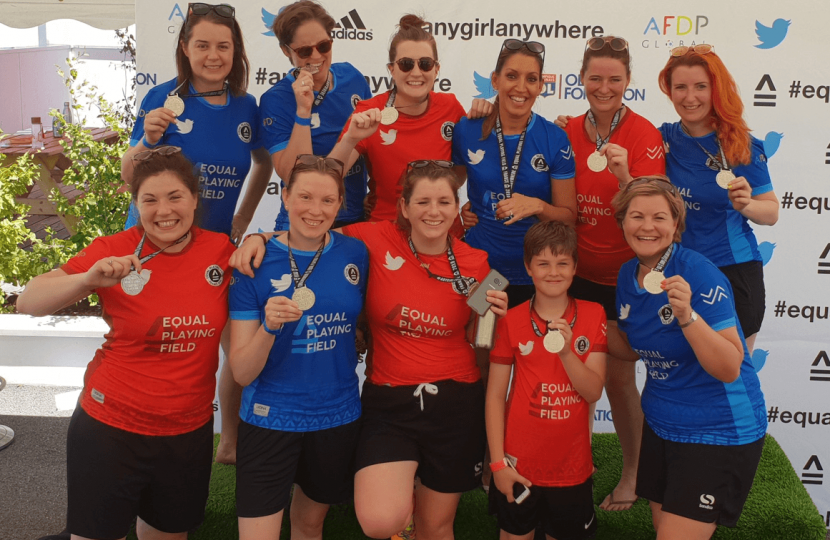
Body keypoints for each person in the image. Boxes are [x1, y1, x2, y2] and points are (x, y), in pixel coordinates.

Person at [233, 159, 508, 540]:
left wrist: (497, 316)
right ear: (404, 207)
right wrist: (258, 236)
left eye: (444, 202)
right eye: (423, 201)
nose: (433, 211)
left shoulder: (479, 265)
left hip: (454, 400)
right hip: (389, 401)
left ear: (456, 206)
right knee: (381, 522)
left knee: (437, 526)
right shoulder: (371, 240)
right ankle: (404, 507)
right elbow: (310, 229)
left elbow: (480, 338)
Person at [18, 147, 236, 540]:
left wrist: (258, 240)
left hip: (187, 433)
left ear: (194, 199)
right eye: (149, 199)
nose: (163, 210)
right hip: (110, 427)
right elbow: (28, 300)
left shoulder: (221, 250)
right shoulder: (110, 251)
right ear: (136, 204)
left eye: (175, 197)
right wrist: (87, 280)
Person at [121, 2, 272, 466]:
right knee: (154, 343)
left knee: (234, 346)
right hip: (154, 248)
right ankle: (134, 435)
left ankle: (229, 441)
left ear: (236, 51)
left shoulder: (247, 105)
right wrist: (146, 140)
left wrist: (243, 219)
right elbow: (129, 175)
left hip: (212, 248)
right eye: (202, 45)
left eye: (223, 46)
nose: (213, 55)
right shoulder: (162, 99)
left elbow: (265, 164)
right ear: (185, 49)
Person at [612, 176, 766, 539]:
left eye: (659, 217)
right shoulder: (626, 274)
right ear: (621, 222)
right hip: (662, 425)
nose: (647, 226)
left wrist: (688, 317)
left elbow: (729, 366)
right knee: (663, 530)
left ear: (676, 224)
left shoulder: (698, 272)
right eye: (636, 216)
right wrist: (575, 332)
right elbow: (633, 347)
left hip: (717, 430)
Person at [228, 155, 368, 540]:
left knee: (309, 526)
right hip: (269, 417)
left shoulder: (356, 253)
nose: (315, 210)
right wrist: (269, 327)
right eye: (305, 197)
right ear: (285, 197)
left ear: (340, 204)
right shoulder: (252, 263)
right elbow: (241, 372)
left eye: (328, 200)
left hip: (336, 416)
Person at [554, 35, 666, 511]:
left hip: (623, 278)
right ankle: (568, 465)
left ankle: (635, 475)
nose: (604, 87)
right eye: (595, 78)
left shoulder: (644, 134)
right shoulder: (565, 131)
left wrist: (625, 177)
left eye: (614, 79)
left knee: (620, 382)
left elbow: (653, 211)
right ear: (580, 79)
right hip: (574, 272)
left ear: (627, 82)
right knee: (565, 374)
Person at [486, 221, 607, 540]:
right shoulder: (510, 320)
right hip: (517, 466)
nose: (553, 272)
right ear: (528, 267)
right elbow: (496, 396)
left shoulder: (593, 314)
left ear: (575, 267)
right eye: (543, 263)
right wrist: (498, 464)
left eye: (563, 263)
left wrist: (567, 352)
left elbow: (593, 390)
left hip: (572, 471)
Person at [657, 45, 779, 354]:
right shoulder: (661, 138)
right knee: (683, 381)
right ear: (669, 91)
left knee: (734, 381)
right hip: (678, 273)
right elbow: (614, 136)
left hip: (733, 274)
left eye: (701, 86)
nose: (690, 97)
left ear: (716, 89)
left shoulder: (741, 143)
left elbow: (771, 212)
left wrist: (747, 205)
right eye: (680, 87)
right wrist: (573, 127)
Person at [329, 13, 490, 225]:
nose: (416, 72)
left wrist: (489, 112)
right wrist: (350, 138)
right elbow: (328, 178)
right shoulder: (370, 111)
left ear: (437, 69)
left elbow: (462, 170)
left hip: (441, 230)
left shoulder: (450, 107)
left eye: (425, 63)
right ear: (391, 70)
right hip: (387, 232)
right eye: (406, 64)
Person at [454, 38, 577, 309]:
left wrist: (536, 206)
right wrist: (464, 210)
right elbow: (452, 182)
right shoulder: (467, 129)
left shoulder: (555, 138)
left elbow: (568, 217)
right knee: (483, 341)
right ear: (495, 81)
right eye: (511, 76)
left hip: (537, 273)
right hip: (484, 267)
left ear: (541, 86)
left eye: (531, 79)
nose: (521, 88)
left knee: (530, 348)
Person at [261, 0, 372, 230]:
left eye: (323, 46)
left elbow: (371, 145)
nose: (316, 56)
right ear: (286, 51)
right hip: (301, 223)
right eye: (304, 51)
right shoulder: (277, 98)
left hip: (353, 219)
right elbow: (291, 175)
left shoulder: (352, 77)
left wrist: (378, 193)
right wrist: (303, 110)